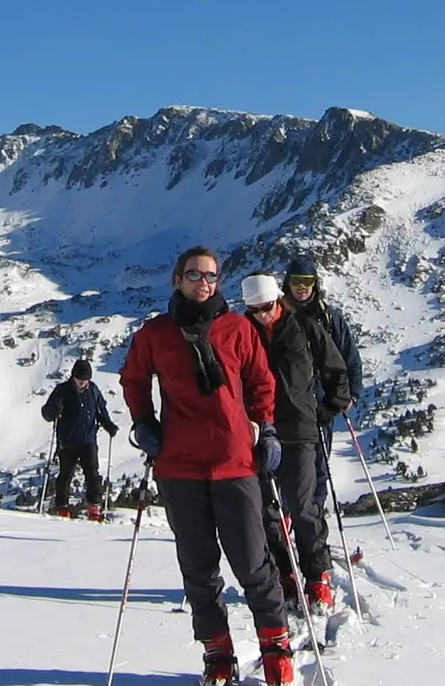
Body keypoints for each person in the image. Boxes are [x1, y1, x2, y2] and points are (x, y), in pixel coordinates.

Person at [121, 246, 295, 686]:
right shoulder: (156, 333)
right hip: (179, 465)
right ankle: (218, 652)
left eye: (212, 276)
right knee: (198, 568)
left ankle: (275, 646)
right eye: (195, 274)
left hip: (235, 462)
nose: (204, 283)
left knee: (254, 564)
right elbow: (134, 378)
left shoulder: (237, 329)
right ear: (177, 279)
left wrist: (267, 427)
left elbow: (261, 381)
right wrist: (144, 421)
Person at [240, 273, 351, 611]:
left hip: (301, 429)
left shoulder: (304, 327)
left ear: (279, 300)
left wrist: (330, 406)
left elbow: (335, 367)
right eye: (255, 309)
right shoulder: (242, 333)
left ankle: (317, 575)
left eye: (267, 307)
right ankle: (284, 573)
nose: (262, 315)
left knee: (303, 506)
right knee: (266, 510)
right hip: (259, 430)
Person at [284, 256, 363, 523]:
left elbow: (349, 356)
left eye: (307, 282)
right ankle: (287, 525)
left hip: (322, 407)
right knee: (287, 469)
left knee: (319, 469)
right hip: (287, 407)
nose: (302, 287)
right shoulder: (279, 316)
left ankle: (313, 524)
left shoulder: (329, 317)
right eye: (297, 281)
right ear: (288, 283)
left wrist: (351, 393)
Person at [40, 358, 118, 520]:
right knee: (65, 475)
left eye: (85, 380)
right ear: (73, 377)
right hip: (67, 440)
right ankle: (62, 507)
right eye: (79, 380)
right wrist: (55, 411)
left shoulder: (93, 390)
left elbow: (100, 410)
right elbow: (47, 413)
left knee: (92, 472)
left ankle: (94, 507)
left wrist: (108, 424)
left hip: (88, 439)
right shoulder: (62, 390)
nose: (82, 383)